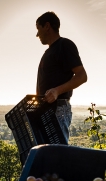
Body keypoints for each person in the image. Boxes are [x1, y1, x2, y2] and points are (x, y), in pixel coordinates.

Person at [36, 11, 87, 144]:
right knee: (47, 156)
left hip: (58, 109)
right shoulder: (48, 52)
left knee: (58, 155)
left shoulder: (64, 45)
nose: (37, 34)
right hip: (46, 110)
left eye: (38, 29)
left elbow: (82, 76)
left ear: (47, 26)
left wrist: (57, 91)